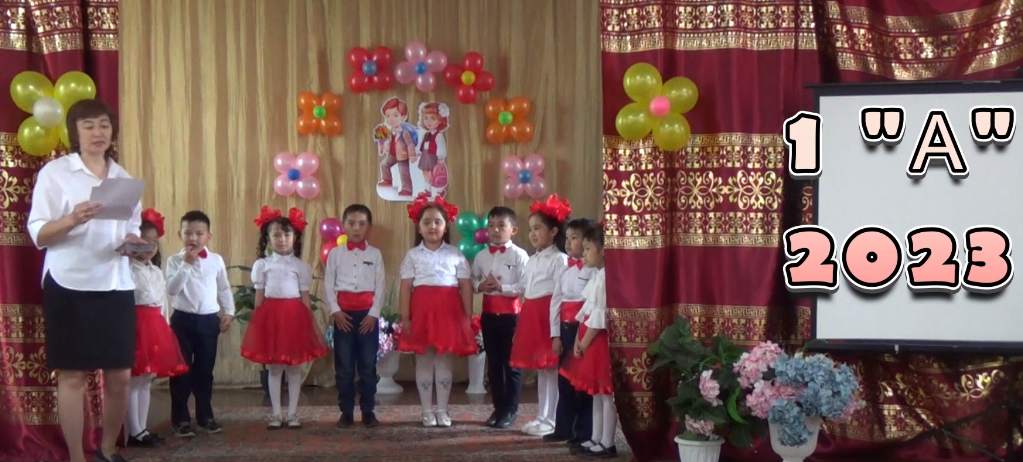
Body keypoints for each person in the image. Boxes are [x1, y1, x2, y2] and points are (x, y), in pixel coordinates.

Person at [27, 98, 148, 462]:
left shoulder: (123, 178)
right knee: (73, 376)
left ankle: (107, 449)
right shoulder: (56, 173)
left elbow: (130, 228)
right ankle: (77, 456)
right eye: (89, 125)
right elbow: (39, 233)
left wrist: (137, 245)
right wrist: (73, 219)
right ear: (75, 133)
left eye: (104, 125)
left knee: (120, 375)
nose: (98, 132)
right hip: (69, 283)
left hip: (115, 283)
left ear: (113, 132)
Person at [240, 206, 330, 430]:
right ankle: (276, 413)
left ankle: (292, 413)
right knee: (274, 368)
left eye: (287, 235)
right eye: (276, 235)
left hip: (294, 319)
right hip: (271, 319)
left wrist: (307, 325)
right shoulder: (263, 265)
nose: (282, 240)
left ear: (295, 237)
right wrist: (259, 325)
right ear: (268, 238)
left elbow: (305, 297)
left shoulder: (301, 266)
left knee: (294, 368)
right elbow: (259, 298)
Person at [396, 196, 477, 428]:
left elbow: (465, 287)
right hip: (422, 313)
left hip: (449, 313)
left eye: (437, 222)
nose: (432, 226)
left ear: (446, 227)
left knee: (444, 361)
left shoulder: (455, 254)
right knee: (423, 360)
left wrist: (466, 317)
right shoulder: (413, 255)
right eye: (427, 222)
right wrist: (406, 318)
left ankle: (442, 410)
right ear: (419, 227)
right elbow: (405, 288)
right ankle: (426, 410)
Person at [165, 210, 235, 437]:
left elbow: (224, 287)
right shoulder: (174, 261)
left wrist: (229, 312)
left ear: (208, 236)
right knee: (181, 371)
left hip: (208, 321)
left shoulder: (216, 260)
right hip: (182, 321)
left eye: (199, 233)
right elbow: (172, 289)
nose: (193, 238)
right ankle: (180, 419)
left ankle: (206, 416)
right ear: (180, 235)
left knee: (205, 371)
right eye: (188, 233)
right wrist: (186, 264)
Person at [126, 208, 188, 448]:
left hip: (155, 327)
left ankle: (142, 428)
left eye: (154, 241)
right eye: (144, 240)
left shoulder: (155, 270)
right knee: (134, 380)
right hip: (135, 327)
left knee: (146, 380)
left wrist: (165, 329)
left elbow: (163, 302)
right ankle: (134, 431)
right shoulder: (127, 269)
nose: (150, 246)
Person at [511, 194, 572, 437]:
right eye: (531, 229)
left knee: (551, 369)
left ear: (554, 231)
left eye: (538, 228)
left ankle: (552, 419)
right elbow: (523, 288)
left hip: (549, 317)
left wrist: (556, 330)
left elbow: (560, 295)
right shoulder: (532, 259)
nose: (533, 234)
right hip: (532, 315)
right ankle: (542, 415)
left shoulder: (560, 259)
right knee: (541, 369)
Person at [324, 204, 385, 428]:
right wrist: (335, 311)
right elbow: (328, 284)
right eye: (351, 223)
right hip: (344, 318)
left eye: (361, 224)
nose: (356, 228)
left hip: (368, 318)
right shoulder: (335, 254)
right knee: (344, 367)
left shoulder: (375, 254)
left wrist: (373, 315)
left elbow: (381, 287)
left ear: (369, 227)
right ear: (344, 225)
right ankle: (346, 412)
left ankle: (368, 410)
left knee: (368, 366)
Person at [560, 226, 617, 458]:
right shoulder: (596, 276)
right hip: (586, 340)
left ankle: (608, 442)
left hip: (597, 342)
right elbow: (585, 311)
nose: (583, 253)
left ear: (603, 250)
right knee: (595, 394)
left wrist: (583, 342)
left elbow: (599, 317)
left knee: (605, 394)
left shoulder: (606, 279)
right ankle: (595, 437)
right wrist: (577, 339)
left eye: (588, 248)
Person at [471, 206, 529, 428]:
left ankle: (511, 410)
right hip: (488, 316)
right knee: (493, 365)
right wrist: (480, 286)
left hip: (511, 317)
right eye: (491, 225)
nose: (495, 230)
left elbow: (524, 286)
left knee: (511, 365)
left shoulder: (520, 255)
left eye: (501, 225)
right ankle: (498, 408)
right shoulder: (481, 255)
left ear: (513, 229)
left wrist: (501, 287)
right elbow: (472, 280)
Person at [545, 218, 597, 445]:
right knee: (564, 381)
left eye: (574, 238)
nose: (568, 242)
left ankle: (584, 432)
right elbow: (555, 303)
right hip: (565, 331)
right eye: (567, 237)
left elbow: (592, 305)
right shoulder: (565, 270)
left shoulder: (594, 272)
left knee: (583, 383)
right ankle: (563, 428)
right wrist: (555, 335)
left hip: (584, 331)